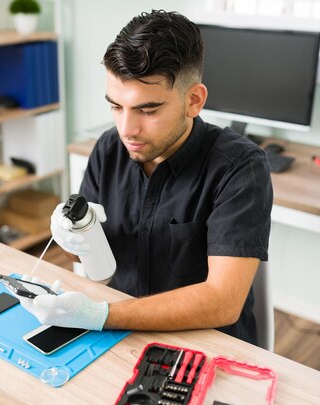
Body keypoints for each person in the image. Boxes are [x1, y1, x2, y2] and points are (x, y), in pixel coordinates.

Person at [20, 9, 272, 345]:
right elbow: (93, 260)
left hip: (205, 344)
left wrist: (100, 315)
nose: (127, 130)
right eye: (116, 106)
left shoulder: (239, 167)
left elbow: (222, 301)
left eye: (148, 110)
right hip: (119, 332)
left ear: (193, 100)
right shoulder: (109, 148)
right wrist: (73, 239)